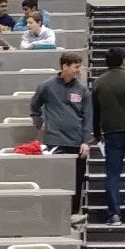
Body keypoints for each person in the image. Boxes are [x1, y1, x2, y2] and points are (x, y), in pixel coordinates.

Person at [31, 52, 93, 222]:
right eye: (76, 67)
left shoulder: (82, 90)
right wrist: (38, 121)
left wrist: (86, 141)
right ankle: (53, 217)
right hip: (54, 140)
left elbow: (88, 117)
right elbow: (34, 105)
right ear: (65, 66)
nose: (78, 70)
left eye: (79, 67)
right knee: (54, 180)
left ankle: (73, 214)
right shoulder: (47, 86)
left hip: (77, 142)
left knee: (76, 180)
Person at [93, 48, 125, 226]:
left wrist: (96, 134)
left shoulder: (99, 83)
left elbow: (96, 111)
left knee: (113, 175)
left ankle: (114, 214)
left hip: (111, 134)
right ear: (123, 60)